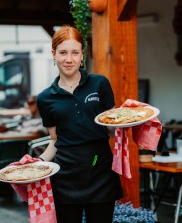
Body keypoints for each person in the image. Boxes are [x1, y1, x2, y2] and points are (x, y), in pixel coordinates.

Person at [36, 25, 123, 223]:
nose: (69, 59)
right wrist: (38, 163)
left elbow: (111, 127)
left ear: (82, 54)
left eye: (75, 52)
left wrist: (130, 122)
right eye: (63, 52)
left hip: (100, 172)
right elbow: (54, 141)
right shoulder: (45, 98)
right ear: (53, 54)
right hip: (65, 177)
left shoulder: (99, 84)